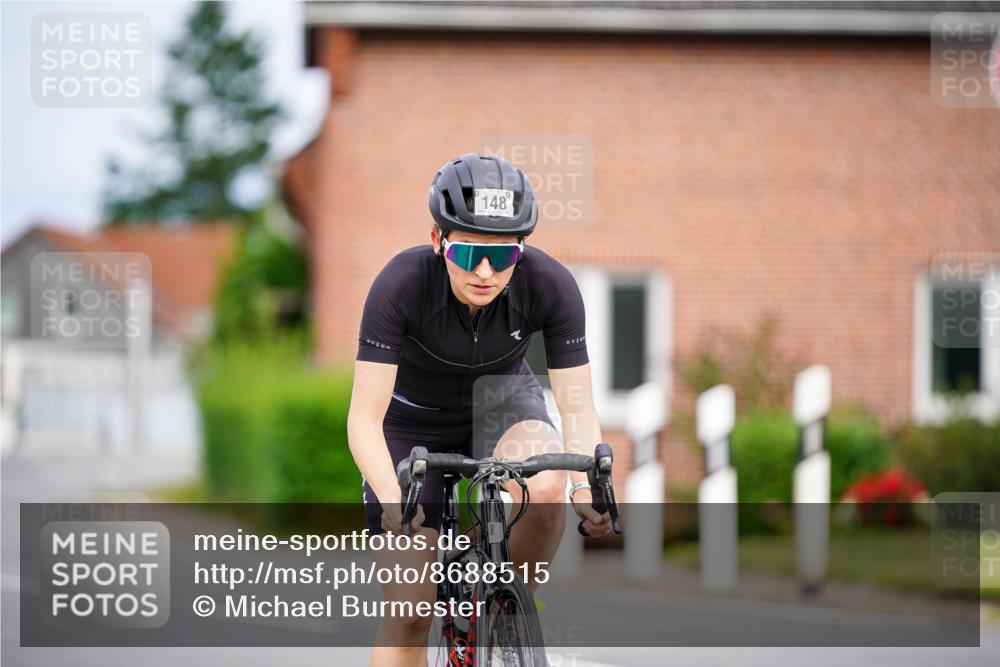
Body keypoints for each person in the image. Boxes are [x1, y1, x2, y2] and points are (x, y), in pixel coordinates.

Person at [347, 152, 611, 667]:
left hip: (503, 404)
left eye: (504, 257)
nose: (486, 272)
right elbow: (362, 419)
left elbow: (577, 409)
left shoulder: (551, 285)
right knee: (409, 616)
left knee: (548, 482)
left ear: (522, 252)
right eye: (469, 255)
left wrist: (588, 488)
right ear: (437, 242)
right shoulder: (399, 285)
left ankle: (511, 608)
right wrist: (393, 500)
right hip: (411, 423)